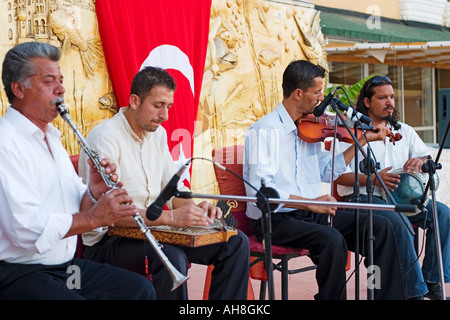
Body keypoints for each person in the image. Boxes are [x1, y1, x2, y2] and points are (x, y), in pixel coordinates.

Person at [78, 66, 250, 300]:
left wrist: (196, 208)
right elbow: (109, 215)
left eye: (168, 106)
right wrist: (169, 218)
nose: (165, 115)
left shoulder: (156, 134)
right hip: (110, 240)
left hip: (153, 230)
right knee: (171, 256)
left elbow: (172, 191)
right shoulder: (104, 138)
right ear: (135, 101)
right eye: (158, 105)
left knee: (236, 242)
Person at [0, 42, 155, 300]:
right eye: (49, 81)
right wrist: (94, 219)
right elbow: (25, 229)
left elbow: (78, 205)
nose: (61, 89)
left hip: (64, 270)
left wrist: (95, 192)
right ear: (18, 89)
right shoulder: (5, 142)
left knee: (138, 291)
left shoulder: (51, 138)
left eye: (60, 80)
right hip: (18, 274)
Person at [243, 60, 406, 300]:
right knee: (331, 238)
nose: (322, 98)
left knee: (380, 226)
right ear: (298, 93)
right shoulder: (263, 131)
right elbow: (263, 194)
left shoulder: (309, 128)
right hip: (275, 220)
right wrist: (309, 203)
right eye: (317, 92)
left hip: (310, 214)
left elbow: (327, 170)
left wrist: (362, 141)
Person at [334, 75, 450, 300]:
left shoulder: (404, 131)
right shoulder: (351, 132)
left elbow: (426, 156)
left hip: (399, 198)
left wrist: (421, 162)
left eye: (392, 97)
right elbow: (338, 177)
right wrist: (373, 180)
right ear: (367, 102)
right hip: (361, 199)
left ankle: (433, 280)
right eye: (382, 97)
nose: (390, 102)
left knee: (443, 214)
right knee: (398, 220)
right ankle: (413, 292)